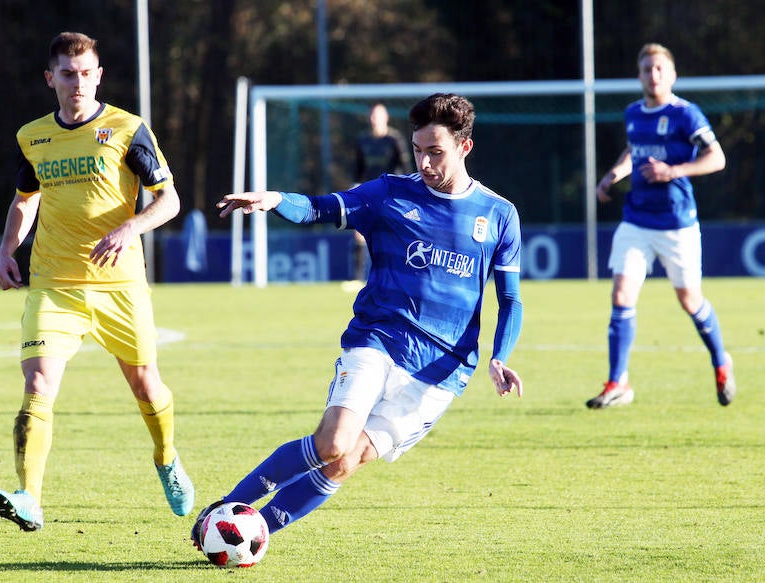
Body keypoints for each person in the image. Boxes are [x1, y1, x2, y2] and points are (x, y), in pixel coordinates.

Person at [191, 93, 524, 542]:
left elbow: (511, 300)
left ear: (465, 147)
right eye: (419, 149)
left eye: (436, 151)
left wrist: (500, 357)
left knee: (345, 462)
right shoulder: (389, 193)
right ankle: (227, 510)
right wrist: (274, 199)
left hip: (440, 372)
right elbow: (321, 206)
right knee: (332, 442)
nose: (424, 162)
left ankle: (252, 534)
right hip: (379, 339)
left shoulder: (499, 215)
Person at [0, 31, 193, 531]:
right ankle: (29, 498)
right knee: (37, 384)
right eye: (67, 74)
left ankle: (166, 458)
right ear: (50, 78)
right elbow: (24, 198)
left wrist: (130, 227)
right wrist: (6, 250)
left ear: (98, 76)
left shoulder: (127, 129)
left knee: (145, 386)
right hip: (53, 283)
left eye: (86, 74)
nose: (77, 83)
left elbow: (168, 200)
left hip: (119, 286)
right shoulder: (31, 137)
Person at [587, 43, 736, 409]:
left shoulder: (687, 114)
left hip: (677, 224)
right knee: (621, 295)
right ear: (638, 76)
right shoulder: (633, 113)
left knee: (690, 300)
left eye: (658, 69)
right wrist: (613, 175)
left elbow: (716, 157)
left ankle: (721, 360)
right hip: (636, 219)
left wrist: (673, 171)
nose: (652, 75)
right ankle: (617, 382)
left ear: (671, 75)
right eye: (646, 69)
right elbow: (633, 149)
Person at [349, 103, 414, 282]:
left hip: (390, 192)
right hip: (368, 191)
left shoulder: (394, 139)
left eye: (379, 115)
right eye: (372, 115)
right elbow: (358, 169)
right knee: (358, 232)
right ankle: (357, 278)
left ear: (386, 118)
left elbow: (405, 166)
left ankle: (402, 274)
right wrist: (354, 188)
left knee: (395, 232)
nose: (375, 119)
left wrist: (407, 190)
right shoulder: (363, 140)